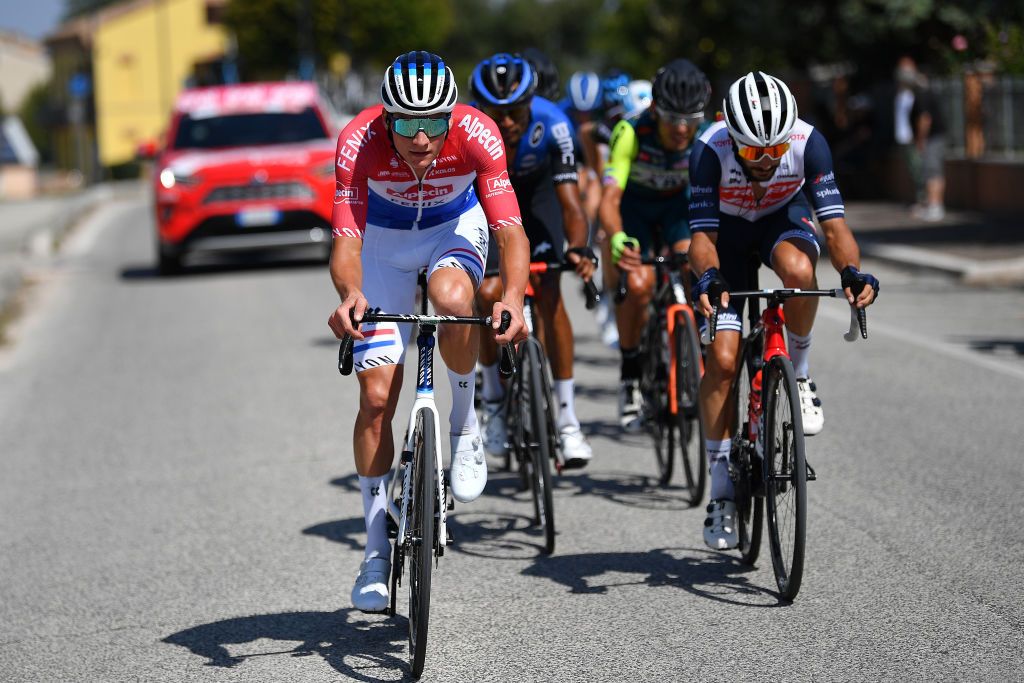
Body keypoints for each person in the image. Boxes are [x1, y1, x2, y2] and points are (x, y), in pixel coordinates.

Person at [327, 51, 530, 612]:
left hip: (452, 231)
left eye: (434, 123)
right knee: (374, 402)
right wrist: (351, 295)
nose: (422, 138)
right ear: (386, 119)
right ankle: (373, 550)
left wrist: (512, 296)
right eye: (408, 125)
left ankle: (464, 429)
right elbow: (345, 243)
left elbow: (510, 229)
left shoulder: (478, 134)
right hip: (383, 248)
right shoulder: (356, 142)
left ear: (452, 115)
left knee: (453, 297)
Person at [687, 71, 879, 549]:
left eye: (775, 150)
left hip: (780, 222)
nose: (768, 160)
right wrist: (709, 278)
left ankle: (801, 374)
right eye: (754, 152)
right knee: (725, 359)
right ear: (733, 139)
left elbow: (834, 229)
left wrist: (852, 273)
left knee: (798, 272)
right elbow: (702, 240)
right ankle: (720, 492)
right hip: (725, 241)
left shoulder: (809, 144)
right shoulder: (708, 150)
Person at [469, 52, 596, 469]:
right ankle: (493, 400)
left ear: (531, 103)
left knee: (550, 293)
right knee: (489, 292)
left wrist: (578, 247)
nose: (506, 121)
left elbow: (571, 204)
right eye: (495, 112)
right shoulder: (465, 132)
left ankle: (567, 420)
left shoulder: (554, 125)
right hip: (485, 203)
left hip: (539, 199)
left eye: (515, 111)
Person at [599, 59, 711, 431]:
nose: (682, 129)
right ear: (653, 109)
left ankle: (694, 354)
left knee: (696, 265)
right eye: (671, 118)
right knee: (640, 285)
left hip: (678, 209)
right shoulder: (630, 132)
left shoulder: (707, 135)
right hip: (636, 212)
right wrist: (616, 238)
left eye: (690, 119)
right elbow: (610, 200)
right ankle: (630, 373)